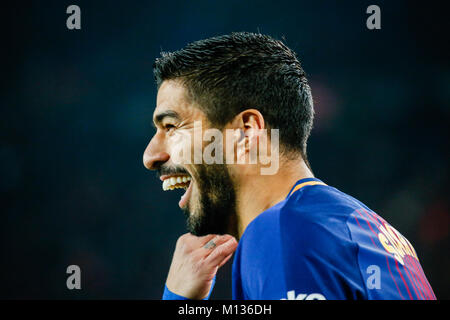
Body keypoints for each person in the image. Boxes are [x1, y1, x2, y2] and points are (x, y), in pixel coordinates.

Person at [142, 32, 436, 300]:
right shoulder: (376, 233)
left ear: (245, 131)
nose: (151, 155)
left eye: (171, 126)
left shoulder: (281, 231)